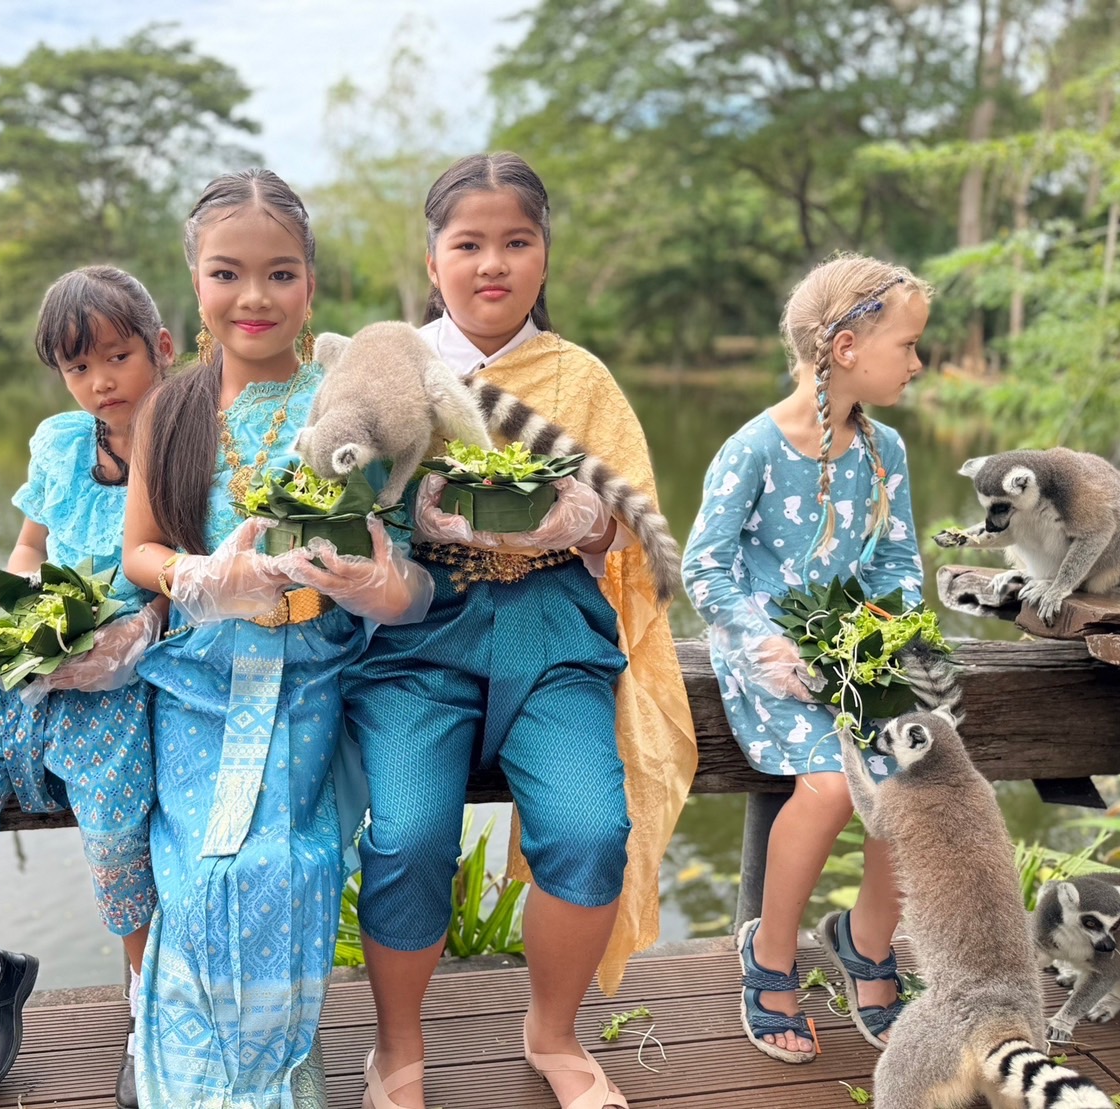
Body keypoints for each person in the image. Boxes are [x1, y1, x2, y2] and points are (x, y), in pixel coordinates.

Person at [343, 152, 698, 1109]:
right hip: (418, 630)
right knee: (410, 832)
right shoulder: (395, 366)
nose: (490, 264)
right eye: (468, 244)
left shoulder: (578, 377)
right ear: (432, 259)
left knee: (591, 828)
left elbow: (632, 514)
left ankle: (553, 1034)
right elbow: (335, 486)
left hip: (554, 628)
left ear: (544, 258)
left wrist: (577, 519)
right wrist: (408, 516)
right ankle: (398, 1051)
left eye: (515, 242)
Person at [121, 168, 433, 1109]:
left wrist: (379, 585)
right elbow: (138, 549)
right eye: (227, 273)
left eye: (280, 274)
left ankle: (279, 1070)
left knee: (284, 868)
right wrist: (197, 575)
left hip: (309, 686)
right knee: (202, 874)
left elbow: (414, 588)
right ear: (194, 280)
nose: (253, 297)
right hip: (198, 687)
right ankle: (186, 1077)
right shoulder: (167, 411)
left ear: (312, 286)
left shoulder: (353, 411)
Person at [0, 265, 171, 1105]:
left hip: (124, 665)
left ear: (160, 349)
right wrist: (25, 598)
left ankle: (145, 1010)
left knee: (119, 827)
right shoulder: (60, 440)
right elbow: (27, 545)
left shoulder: (192, 436)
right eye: (78, 368)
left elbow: (180, 569)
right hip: (33, 655)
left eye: (117, 358)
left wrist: (128, 631)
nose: (100, 383)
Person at [681, 253, 932, 1063]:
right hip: (767, 651)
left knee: (911, 779)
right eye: (908, 345)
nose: (917, 363)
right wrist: (765, 642)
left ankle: (865, 938)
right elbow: (703, 566)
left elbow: (897, 564)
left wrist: (885, 630)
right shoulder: (753, 446)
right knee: (826, 788)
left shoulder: (883, 450)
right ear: (849, 347)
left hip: (852, 649)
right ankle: (771, 951)